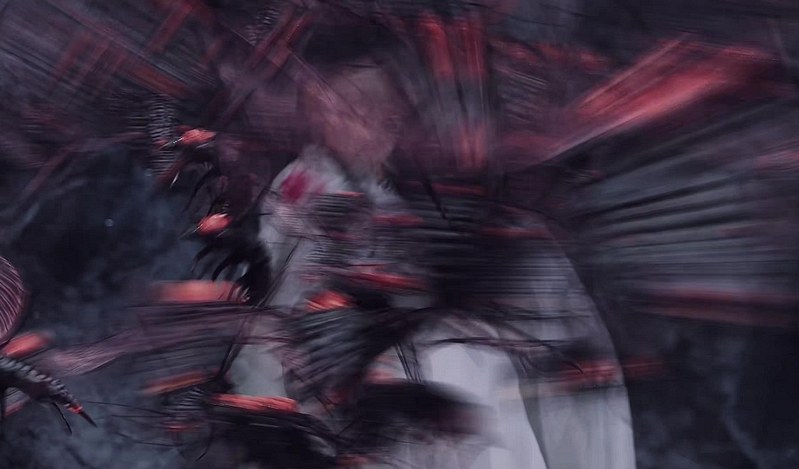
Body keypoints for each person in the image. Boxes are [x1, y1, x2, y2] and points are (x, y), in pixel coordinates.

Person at [229, 24, 637, 469]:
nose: (364, 121)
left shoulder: (453, 188)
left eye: (378, 104)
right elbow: (270, 321)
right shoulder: (300, 191)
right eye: (342, 107)